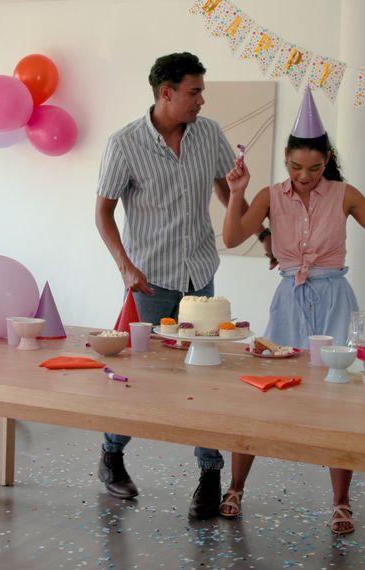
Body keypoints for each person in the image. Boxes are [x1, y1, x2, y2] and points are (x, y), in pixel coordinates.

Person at [219, 87, 365, 534]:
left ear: (326, 162)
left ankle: (341, 502)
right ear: (285, 159)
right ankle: (236, 487)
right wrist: (237, 192)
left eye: (315, 168)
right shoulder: (268, 195)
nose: (305, 176)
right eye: (296, 167)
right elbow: (231, 237)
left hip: (336, 300)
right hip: (288, 302)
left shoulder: (344, 194)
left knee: (340, 401)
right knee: (262, 394)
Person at [94, 52, 274, 519]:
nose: (201, 99)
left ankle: (209, 475)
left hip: (200, 274)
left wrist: (263, 235)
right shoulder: (124, 144)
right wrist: (124, 266)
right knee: (143, 379)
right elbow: (103, 212)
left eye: (201, 91)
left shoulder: (209, 132)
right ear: (166, 93)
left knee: (205, 378)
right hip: (150, 282)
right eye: (193, 91)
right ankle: (111, 454)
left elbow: (225, 190)